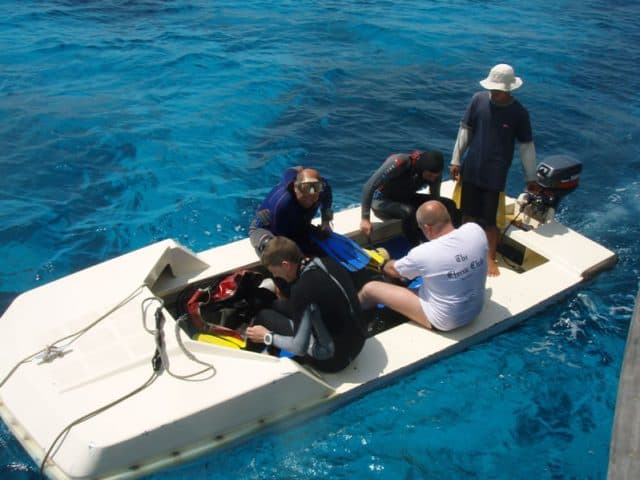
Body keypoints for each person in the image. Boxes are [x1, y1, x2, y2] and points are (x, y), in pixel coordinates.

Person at [449, 63, 539, 276]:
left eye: (498, 90)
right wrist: (456, 160)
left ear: (509, 89)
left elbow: (526, 147)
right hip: (471, 169)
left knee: (491, 221)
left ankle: (489, 257)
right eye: (492, 88)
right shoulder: (478, 100)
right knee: (467, 213)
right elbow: (465, 131)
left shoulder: (519, 113)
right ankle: (464, 249)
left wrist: (531, 177)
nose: (494, 93)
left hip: (495, 175)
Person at [358, 201, 488, 332]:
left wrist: (383, 263)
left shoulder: (423, 252)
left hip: (446, 321)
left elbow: (394, 271)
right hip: (475, 310)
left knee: (370, 289)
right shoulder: (475, 230)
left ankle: (351, 315)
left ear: (427, 227)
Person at [245, 236, 366, 372]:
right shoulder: (327, 262)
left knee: (264, 316)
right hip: (359, 341)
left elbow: (299, 348)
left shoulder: (301, 290)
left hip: (332, 360)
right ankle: (272, 353)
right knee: (275, 305)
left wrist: (267, 336)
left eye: (274, 272)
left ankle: (248, 363)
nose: (276, 277)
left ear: (286, 265)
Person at [360, 150, 459, 245]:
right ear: (422, 168)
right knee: (409, 212)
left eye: (435, 176)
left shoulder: (434, 174)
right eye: (430, 175)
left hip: (406, 198)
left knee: (449, 205)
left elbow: (435, 199)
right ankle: (417, 246)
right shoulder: (399, 162)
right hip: (381, 201)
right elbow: (369, 186)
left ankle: (449, 238)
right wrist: (365, 219)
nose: (433, 179)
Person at [248, 167, 333, 256]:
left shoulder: (324, 189)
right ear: (295, 187)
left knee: (324, 237)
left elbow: (327, 206)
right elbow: (282, 239)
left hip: (297, 220)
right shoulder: (282, 204)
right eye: (305, 188)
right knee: (275, 249)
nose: (311, 193)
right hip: (266, 226)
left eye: (316, 187)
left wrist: (326, 222)